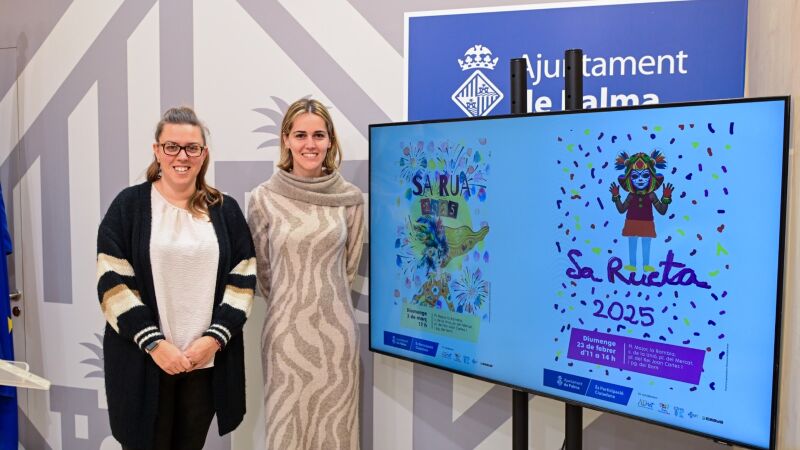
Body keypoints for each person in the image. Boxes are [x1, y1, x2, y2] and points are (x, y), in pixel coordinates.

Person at [96, 106, 256, 450]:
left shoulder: (225, 210)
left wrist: (213, 339)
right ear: (157, 150)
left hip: (204, 363)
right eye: (172, 146)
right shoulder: (128, 207)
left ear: (204, 153)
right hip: (145, 361)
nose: (182, 156)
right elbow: (112, 284)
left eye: (192, 148)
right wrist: (155, 344)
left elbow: (243, 279)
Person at [248, 98, 365, 449]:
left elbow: (349, 267)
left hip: (337, 338)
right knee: (287, 432)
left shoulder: (350, 199)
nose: (309, 144)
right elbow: (264, 273)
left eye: (318, 135)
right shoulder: (263, 198)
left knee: (336, 433)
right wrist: (294, 304)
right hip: (285, 338)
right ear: (286, 140)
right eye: (300, 135)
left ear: (330, 141)